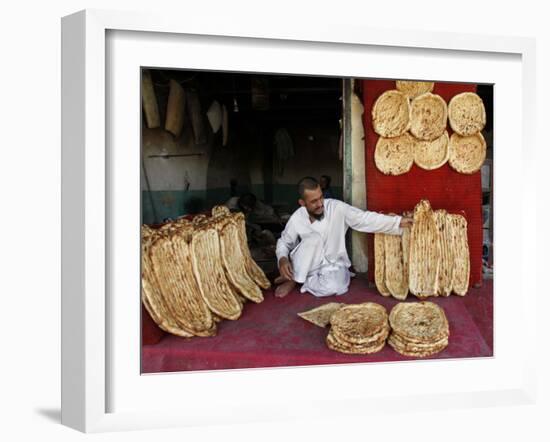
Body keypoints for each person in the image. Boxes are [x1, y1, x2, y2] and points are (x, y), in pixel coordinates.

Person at [274, 177, 413, 298]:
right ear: (302, 203)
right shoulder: (297, 217)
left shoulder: (336, 208)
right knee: (313, 239)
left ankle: (300, 278)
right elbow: (284, 242)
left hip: (332, 265)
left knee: (337, 287)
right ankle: (292, 280)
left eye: (321, 197)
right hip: (308, 263)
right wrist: (282, 259)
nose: (320, 204)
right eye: (314, 201)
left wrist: (397, 222)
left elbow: (364, 219)